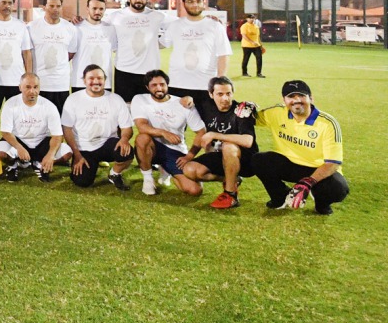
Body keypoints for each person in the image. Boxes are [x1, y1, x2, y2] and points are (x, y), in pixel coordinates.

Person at [252, 80, 349, 215]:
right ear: (284, 100)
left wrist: (308, 182)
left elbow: (332, 164)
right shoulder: (276, 112)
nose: (297, 100)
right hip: (290, 165)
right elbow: (249, 117)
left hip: (318, 169)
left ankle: (321, 203)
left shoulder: (328, 123)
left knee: (338, 188)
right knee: (259, 160)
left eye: (301, 96)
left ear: (311, 98)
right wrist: (246, 107)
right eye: (291, 97)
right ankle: (280, 197)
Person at [180, 76, 258, 209]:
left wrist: (215, 135)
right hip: (219, 155)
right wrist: (187, 98)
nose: (225, 98)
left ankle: (230, 194)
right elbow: (186, 98)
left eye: (228, 93)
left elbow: (248, 141)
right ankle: (232, 180)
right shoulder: (205, 105)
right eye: (220, 94)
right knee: (190, 170)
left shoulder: (241, 110)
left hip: (246, 160)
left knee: (228, 146)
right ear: (211, 94)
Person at [130, 69, 205, 197]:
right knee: (142, 138)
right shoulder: (140, 99)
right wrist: (163, 133)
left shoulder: (183, 104)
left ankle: (168, 170)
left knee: (195, 190)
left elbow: (201, 132)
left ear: (167, 85)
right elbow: (141, 126)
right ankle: (148, 180)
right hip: (152, 147)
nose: (159, 88)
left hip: (175, 151)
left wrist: (190, 156)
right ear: (147, 87)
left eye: (162, 84)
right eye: (154, 85)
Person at [61, 65, 134, 190]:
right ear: (84, 80)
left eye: (99, 78)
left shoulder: (116, 99)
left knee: (126, 152)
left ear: (105, 80)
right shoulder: (73, 99)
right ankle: (85, 165)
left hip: (107, 143)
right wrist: (77, 155)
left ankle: (115, 173)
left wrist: (124, 139)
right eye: (91, 78)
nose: (95, 81)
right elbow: (67, 129)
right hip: (83, 148)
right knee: (82, 181)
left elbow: (127, 128)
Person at [160, 0, 230, 111]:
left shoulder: (215, 25)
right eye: (190, 2)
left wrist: (220, 82)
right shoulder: (175, 25)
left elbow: (223, 54)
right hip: (177, 84)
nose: (195, 5)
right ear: (184, 4)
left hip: (205, 86)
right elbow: (160, 44)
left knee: (207, 127)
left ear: (204, 3)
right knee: (174, 127)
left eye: (198, 1)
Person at [0, 73, 68, 183]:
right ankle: (13, 165)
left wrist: (50, 155)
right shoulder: (10, 104)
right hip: (19, 142)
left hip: (41, 143)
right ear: (20, 87)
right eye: (28, 87)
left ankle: (39, 164)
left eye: (35, 87)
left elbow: (57, 135)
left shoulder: (49, 106)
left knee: (67, 153)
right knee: (1, 152)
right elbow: (5, 132)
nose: (32, 91)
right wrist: (19, 148)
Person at [107, 0, 165, 102]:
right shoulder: (116, 16)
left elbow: (181, 25)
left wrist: (162, 43)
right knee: (124, 111)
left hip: (149, 73)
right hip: (124, 72)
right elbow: (95, 24)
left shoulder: (157, 16)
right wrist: (79, 20)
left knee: (148, 111)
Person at [28, 0, 77, 112]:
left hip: (61, 83)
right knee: (39, 121)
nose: (55, 9)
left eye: (58, 6)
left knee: (61, 122)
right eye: (51, 6)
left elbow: (70, 53)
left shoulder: (70, 28)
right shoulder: (32, 27)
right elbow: (27, 53)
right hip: (40, 82)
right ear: (43, 7)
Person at [71, 0, 118, 91]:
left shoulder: (110, 29)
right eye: (94, 8)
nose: (98, 12)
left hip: (104, 82)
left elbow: (114, 49)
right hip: (81, 82)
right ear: (87, 9)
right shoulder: (76, 28)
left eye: (101, 9)